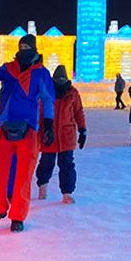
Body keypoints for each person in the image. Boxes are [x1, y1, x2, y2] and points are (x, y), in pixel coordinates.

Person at [0, 34, 55, 233]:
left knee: (23, 175)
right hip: (4, 127)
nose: (24, 49)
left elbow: (48, 100)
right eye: (21, 46)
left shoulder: (41, 73)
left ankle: (18, 216)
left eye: (27, 46)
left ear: (34, 48)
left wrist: (48, 124)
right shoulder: (8, 68)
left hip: (28, 128)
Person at [36, 65, 86, 204]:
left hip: (66, 135)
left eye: (63, 78)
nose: (60, 80)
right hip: (49, 133)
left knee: (67, 164)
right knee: (46, 162)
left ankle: (67, 193)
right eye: (58, 78)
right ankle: (42, 186)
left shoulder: (73, 93)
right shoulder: (46, 91)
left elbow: (78, 112)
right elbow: (39, 112)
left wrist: (83, 129)